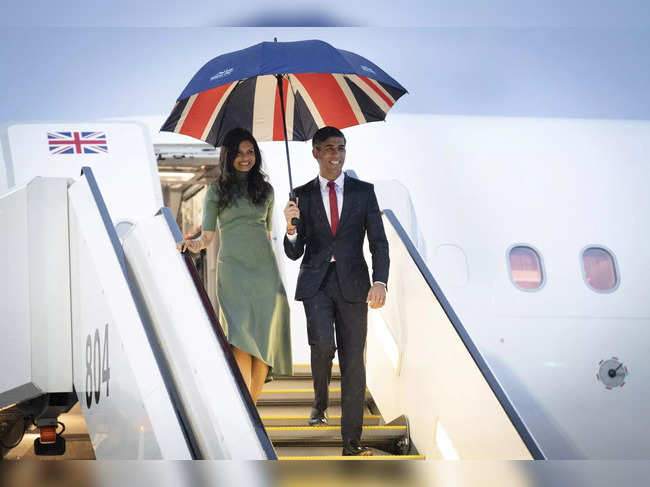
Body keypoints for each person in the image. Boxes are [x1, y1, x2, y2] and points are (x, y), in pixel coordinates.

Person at [283, 126, 389, 456]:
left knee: (354, 363)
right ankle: (319, 403)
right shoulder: (300, 194)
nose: (336, 155)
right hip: (316, 283)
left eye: (340, 148)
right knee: (323, 346)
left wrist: (380, 281)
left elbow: (379, 243)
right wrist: (290, 228)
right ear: (315, 152)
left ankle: (351, 443)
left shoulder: (363, 192)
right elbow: (294, 252)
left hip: (355, 284)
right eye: (328, 149)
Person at [179, 127, 292, 405]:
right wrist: (190, 245)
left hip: (265, 273)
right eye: (240, 153)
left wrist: (291, 223)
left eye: (251, 152)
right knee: (240, 341)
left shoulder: (267, 190)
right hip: (233, 273)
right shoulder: (217, 190)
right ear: (229, 156)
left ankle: (250, 411)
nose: (246, 158)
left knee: (263, 346)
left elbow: (266, 233)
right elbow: (206, 237)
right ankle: (249, 413)